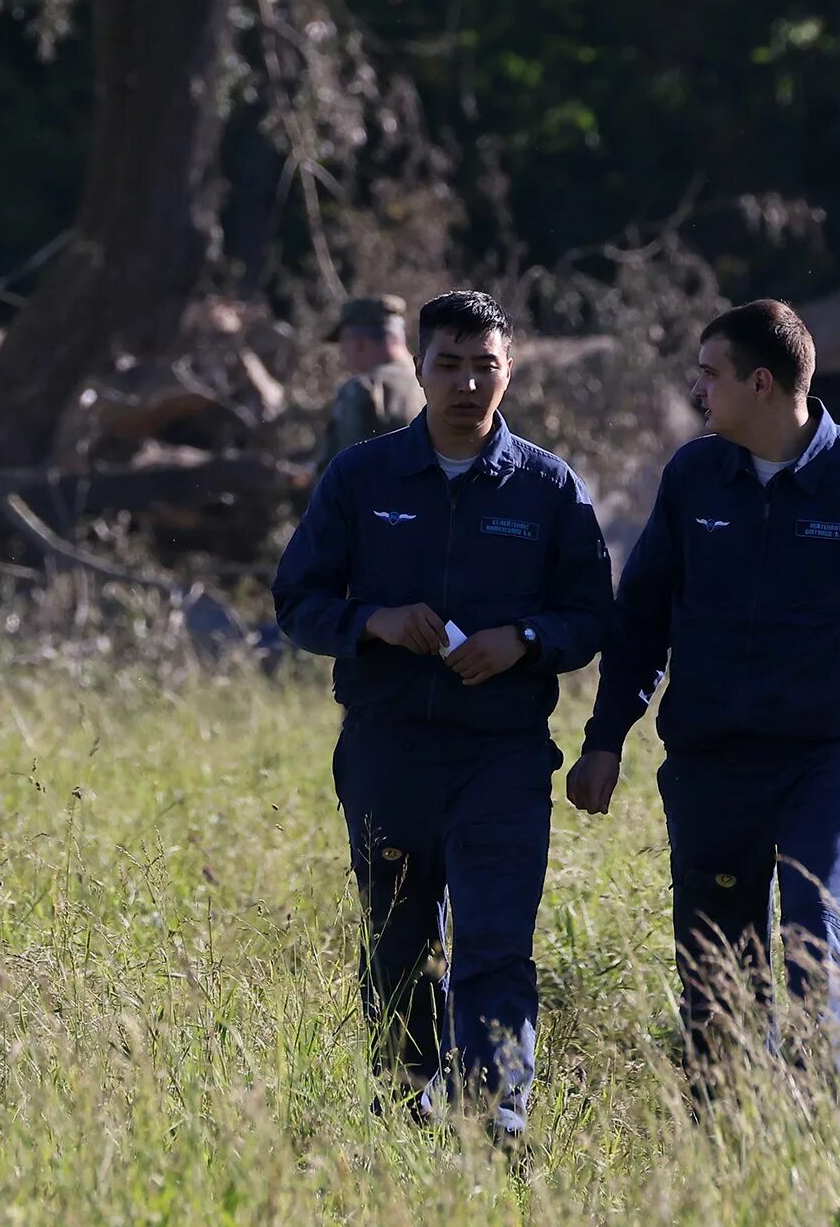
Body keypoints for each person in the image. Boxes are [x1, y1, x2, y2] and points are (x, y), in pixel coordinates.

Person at [567, 299, 840, 1082]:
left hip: (825, 767)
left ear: (761, 382)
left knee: (814, 947)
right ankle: (727, 1149)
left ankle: (812, 1141)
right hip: (709, 765)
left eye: (710, 375)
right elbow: (639, 619)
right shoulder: (693, 477)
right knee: (717, 972)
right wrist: (606, 738)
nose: (698, 391)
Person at [273, 289, 612, 1136]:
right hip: (387, 751)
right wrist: (372, 624)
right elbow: (296, 600)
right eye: (450, 365)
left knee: (495, 942)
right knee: (398, 949)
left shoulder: (547, 488)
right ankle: (404, 1113)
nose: (468, 383)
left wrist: (524, 640)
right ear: (417, 369)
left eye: (485, 366)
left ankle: (494, 1116)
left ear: (510, 371)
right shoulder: (362, 477)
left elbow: (593, 617)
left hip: (500, 753)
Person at [314, 293, 424, 468]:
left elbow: (347, 472)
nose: (342, 352)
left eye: (343, 342)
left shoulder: (362, 388)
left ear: (358, 343)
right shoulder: (435, 379)